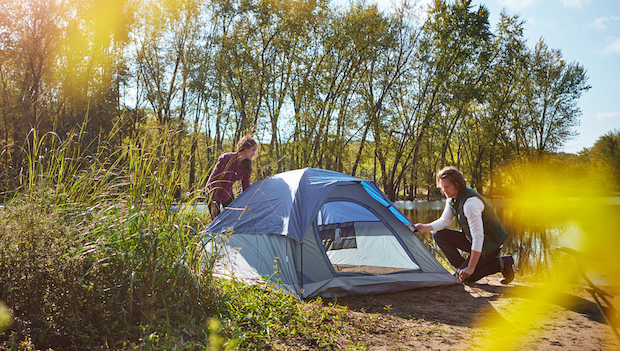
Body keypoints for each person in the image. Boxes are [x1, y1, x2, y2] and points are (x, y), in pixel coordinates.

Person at [414, 166, 514, 284]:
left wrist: (471, 267)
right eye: (442, 187)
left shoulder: (470, 204)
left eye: (447, 186)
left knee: (468, 277)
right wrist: (425, 227)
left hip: (490, 244)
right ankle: (461, 269)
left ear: (457, 184)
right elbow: (445, 221)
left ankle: (503, 263)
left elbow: (478, 237)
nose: (444, 190)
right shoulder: (452, 198)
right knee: (438, 234)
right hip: (473, 240)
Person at [206, 135, 258, 219]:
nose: (254, 153)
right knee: (216, 223)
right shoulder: (226, 158)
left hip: (227, 195)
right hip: (213, 194)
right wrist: (213, 202)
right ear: (245, 148)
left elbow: (246, 187)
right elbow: (213, 180)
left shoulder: (246, 167)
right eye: (253, 150)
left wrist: (250, 203)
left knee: (233, 219)